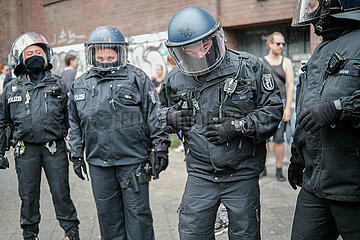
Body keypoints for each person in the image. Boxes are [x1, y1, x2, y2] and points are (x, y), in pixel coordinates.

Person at [159, 7, 282, 239]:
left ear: (215, 39)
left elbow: (273, 112)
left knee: (245, 235)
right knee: (192, 233)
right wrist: (168, 118)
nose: (200, 53)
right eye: (191, 49)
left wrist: (239, 127)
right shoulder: (175, 79)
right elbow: (155, 113)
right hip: (200, 174)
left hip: (241, 173)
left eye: (205, 45)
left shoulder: (248, 67)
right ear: (180, 51)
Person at [68, 26, 170, 240]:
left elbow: (155, 114)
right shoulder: (81, 84)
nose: (105, 60)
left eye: (110, 56)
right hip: (99, 164)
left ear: (119, 53)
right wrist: (76, 155)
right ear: (92, 54)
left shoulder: (137, 78)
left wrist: (161, 147)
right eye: (101, 56)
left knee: (138, 217)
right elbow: (75, 123)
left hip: (132, 162)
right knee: (108, 218)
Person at [289, 0, 360, 239]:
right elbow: (306, 108)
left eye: (314, 2)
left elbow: (329, 108)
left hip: (353, 186)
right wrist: (297, 157)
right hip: (315, 184)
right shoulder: (321, 49)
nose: (309, 8)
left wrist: (339, 108)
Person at [0, 32, 80, 240]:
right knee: (28, 195)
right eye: (29, 53)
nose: (35, 55)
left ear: (47, 56)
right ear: (20, 57)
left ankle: (71, 232)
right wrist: (1, 151)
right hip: (25, 150)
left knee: (61, 193)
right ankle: (29, 233)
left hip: (54, 149)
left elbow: (70, 116)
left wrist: (75, 146)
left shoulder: (58, 84)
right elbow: (3, 121)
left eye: (38, 52)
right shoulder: (11, 89)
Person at [261, 32, 294, 181]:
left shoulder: (286, 62)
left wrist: (287, 108)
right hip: (264, 106)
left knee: (279, 140)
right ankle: (263, 169)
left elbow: (290, 86)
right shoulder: (261, 62)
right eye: (278, 43)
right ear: (270, 44)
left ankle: (279, 170)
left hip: (280, 105)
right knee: (264, 140)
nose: (281, 46)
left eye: (283, 44)